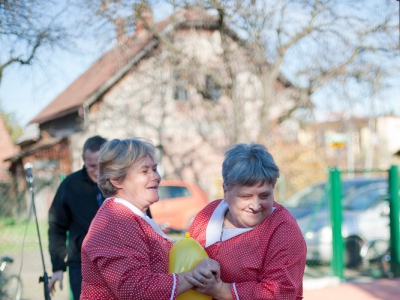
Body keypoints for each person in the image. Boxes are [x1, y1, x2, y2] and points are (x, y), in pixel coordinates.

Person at [80, 138, 221, 299]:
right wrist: (194, 276)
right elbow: (136, 290)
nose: (156, 176)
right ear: (116, 179)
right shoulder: (117, 221)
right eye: (144, 171)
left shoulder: (131, 217)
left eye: (154, 169)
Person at [187, 142, 307, 300]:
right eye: (246, 196)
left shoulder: (283, 229)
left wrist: (219, 289)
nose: (256, 205)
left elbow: (279, 293)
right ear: (225, 190)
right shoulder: (209, 214)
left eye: (264, 196)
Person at [47, 135, 108, 299]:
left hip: (116, 262)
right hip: (81, 265)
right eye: (91, 166)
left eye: (101, 166)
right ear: (83, 159)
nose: (97, 172)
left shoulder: (120, 182)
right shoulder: (69, 185)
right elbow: (56, 226)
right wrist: (58, 267)